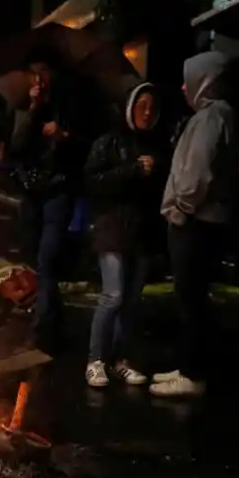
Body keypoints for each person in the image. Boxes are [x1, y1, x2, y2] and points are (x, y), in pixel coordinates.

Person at [152, 51, 237, 397]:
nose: (184, 86)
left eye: (191, 78)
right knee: (191, 298)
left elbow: (197, 174)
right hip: (201, 221)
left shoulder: (210, 118)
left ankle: (192, 375)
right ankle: (188, 366)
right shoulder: (214, 115)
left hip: (195, 222)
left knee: (190, 299)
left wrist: (179, 210)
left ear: (206, 80)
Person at [83, 83, 168, 388]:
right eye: (141, 105)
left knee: (130, 301)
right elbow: (93, 182)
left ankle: (121, 361)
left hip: (141, 233)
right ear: (130, 108)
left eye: (152, 107)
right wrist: (132, 170)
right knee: (113, 295)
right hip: (113, 230)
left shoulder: (157, 146)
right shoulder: (109, 142)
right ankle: (95, 361)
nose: (147, 112)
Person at [10, 54, 89, 353]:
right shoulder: (24, 107)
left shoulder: (68, 105)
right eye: (34, 74)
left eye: (44, 73)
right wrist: (32, 110)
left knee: (47, 259)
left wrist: (64, 135)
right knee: (35, 257)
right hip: (31, 193)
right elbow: (16, 145)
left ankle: (42, 328)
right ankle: (53, 314)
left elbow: (85, 145)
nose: (39, 80)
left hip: (58, 191)